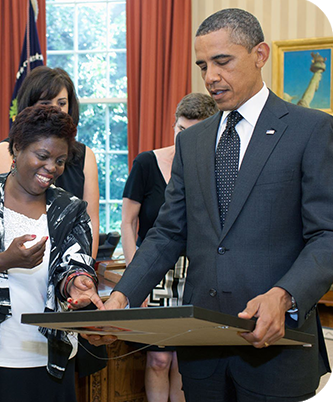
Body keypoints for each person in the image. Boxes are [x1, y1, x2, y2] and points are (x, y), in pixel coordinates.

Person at [87, 8, 333, 402]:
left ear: (260, 54)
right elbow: (168, 233)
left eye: (222, 61)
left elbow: (327, 235)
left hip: (277, 351)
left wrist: (284, 294)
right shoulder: (193, 141)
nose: (211, 76)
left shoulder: (310, 129)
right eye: (203, 65)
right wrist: (121, 298)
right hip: (202, 357)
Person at [0, 105, 104, 402]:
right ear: (16, 149)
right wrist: (6, 260)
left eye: (60, 160)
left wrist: (78, 283)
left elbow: (74, 266)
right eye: (42, 156)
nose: (52, 167)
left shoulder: (71, 209)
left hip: (48, 359)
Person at [121, 93, 218, 402]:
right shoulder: (147, 163)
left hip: (197, 273)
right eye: (180, 130)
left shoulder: (216, 168)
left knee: (184, 360)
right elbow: (127, 224)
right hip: (156, 270)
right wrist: (138, 280)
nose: (184, 139)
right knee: (159, 358)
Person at [0, 66, 99, 257]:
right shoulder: (5, 151)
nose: (56, 109)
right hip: (18, 259)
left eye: (62, 102)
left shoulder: (85, 155)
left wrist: (85, 269)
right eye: (46, 102)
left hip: (70, 265)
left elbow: (92, 221)